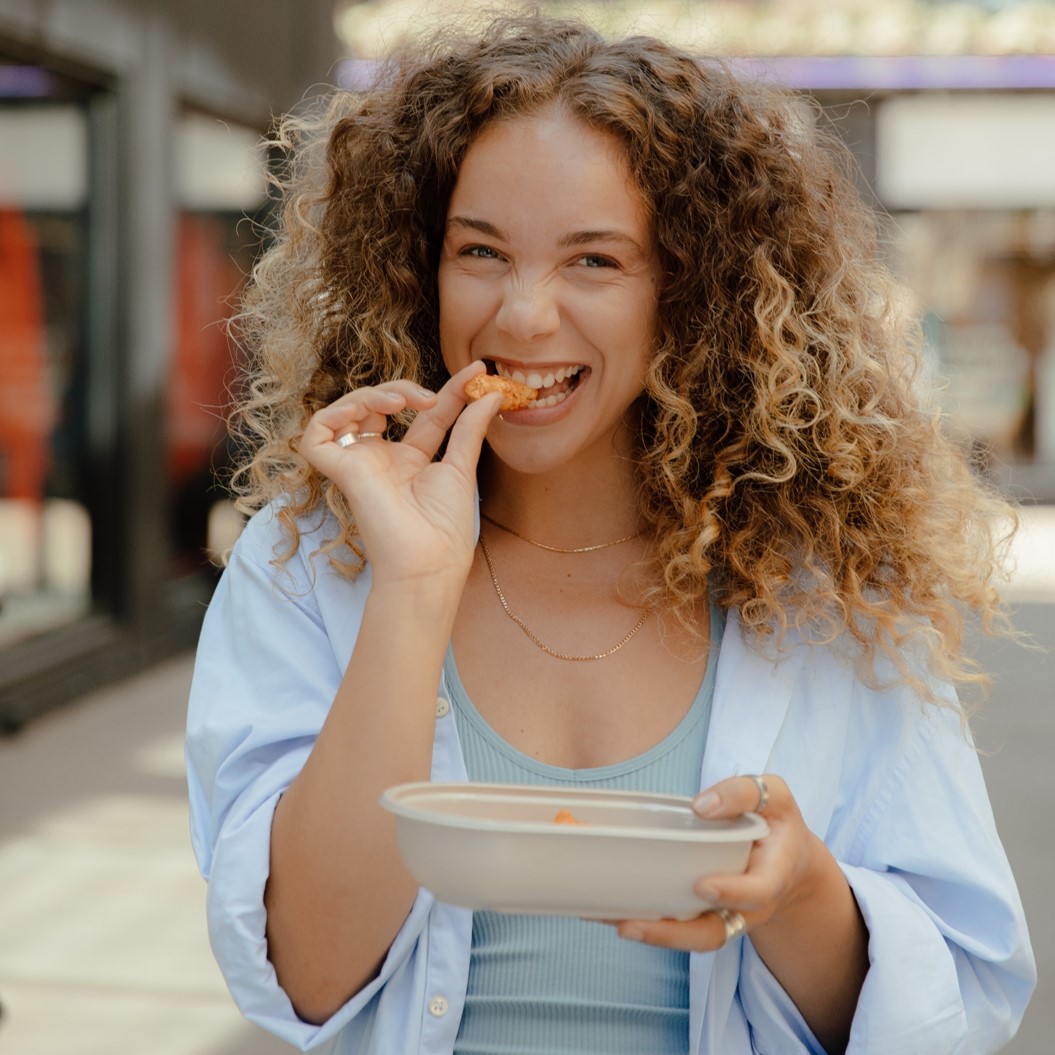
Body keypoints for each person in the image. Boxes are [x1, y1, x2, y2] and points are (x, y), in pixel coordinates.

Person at [185, 14, 1035, 1055]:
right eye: (479, 251)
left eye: (593, 259)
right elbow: (308, 976)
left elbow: (960, 994)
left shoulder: (829, 587)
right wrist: (413, 581)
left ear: (690, 292)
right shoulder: (307, 561)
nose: (524, 314)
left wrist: (800, 888)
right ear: (418, 265)